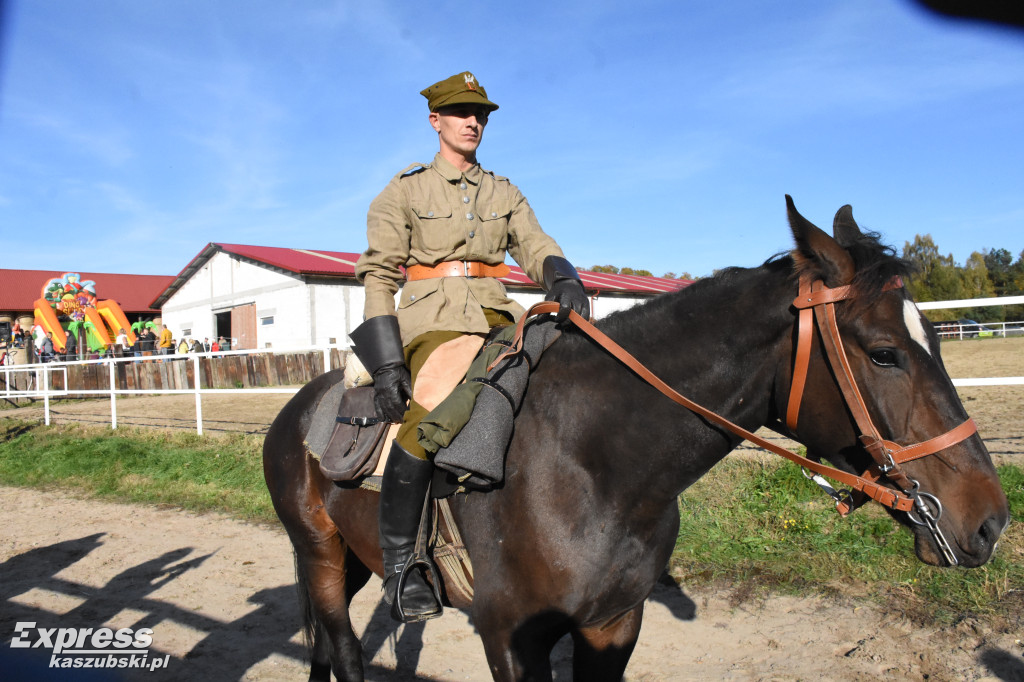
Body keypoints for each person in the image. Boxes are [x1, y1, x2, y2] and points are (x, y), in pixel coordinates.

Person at [351, 71, 589, 623]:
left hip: (500, 314)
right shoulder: (404, 190)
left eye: (480, 113)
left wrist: (564, 277)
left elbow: (536, 244)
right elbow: (380, 275)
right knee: (434, 401)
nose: (472, 121)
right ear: (435, 120)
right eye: (460, 112)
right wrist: (387, 363)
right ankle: (401, 565)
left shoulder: (504, 192)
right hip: (432, 320)